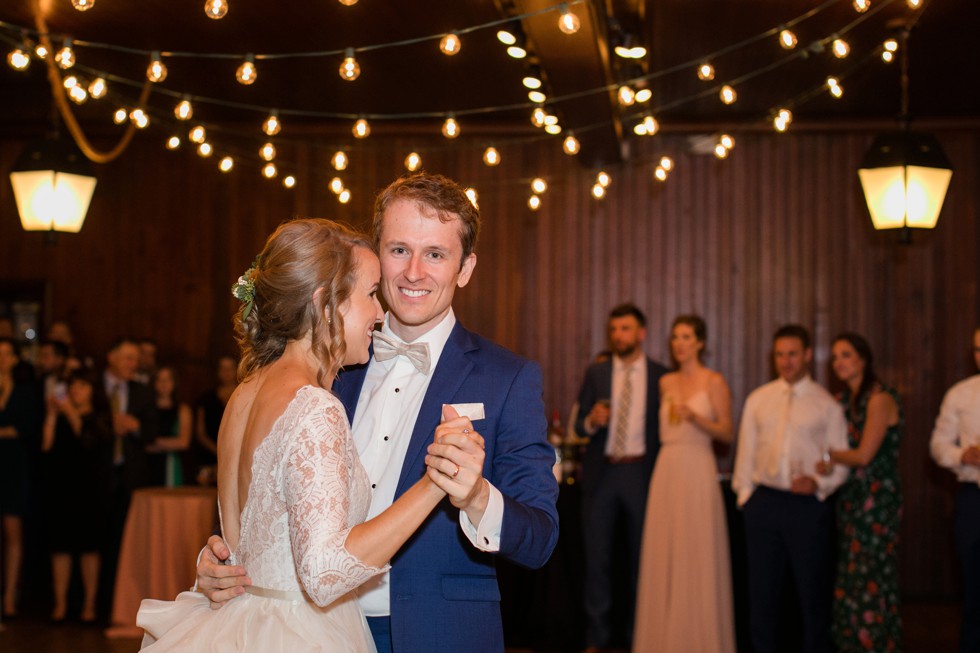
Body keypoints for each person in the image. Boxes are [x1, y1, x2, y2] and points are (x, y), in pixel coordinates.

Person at [197, 173, 560, 653]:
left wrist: (474, 496)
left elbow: (539, 539)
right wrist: (222, 559)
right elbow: (265, 495)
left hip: (439, 633)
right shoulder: (328, 366)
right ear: (374, 254)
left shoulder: (507, 378)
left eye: (435, 254)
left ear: (465, 268)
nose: (413, 272)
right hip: (310, 629)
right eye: (398, 250)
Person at [138, 218, 463, 651]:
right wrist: (434, 482)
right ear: (324, 303)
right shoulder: (314, 405)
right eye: (369, 294)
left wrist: (211, 560)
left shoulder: (244, 394)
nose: (380, 313)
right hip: (298, 633)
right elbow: (325, 574)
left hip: (240, 622)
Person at [732, 324, 849, 653]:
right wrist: (746, 497)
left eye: (793, 354)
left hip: (807, 508)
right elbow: (746, 453)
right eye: (780, 354)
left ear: (808, 355)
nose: (785, 361)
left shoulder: (826, 404)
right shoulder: (759, 399)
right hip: (764, 504)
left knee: (811, 594)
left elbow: (841, 461)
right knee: (762, 595)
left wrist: (819, 483)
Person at [633, 314, 735, 652]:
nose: (680, 343)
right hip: (668, 466)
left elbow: (727, 433)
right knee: (666, 551)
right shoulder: (666, 383)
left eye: (687, 337)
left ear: (700, 343)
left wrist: (699, 418)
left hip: (698, 466)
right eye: (676, 336)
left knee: (698, 550)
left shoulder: (714, 381)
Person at [575, 303, 667, 651]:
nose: (618, 336)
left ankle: (638, 636)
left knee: (642, 560)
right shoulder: (596, 373)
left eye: (625, 329)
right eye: (614, 329)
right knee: (597, 559)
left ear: (641, 333)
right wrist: (590, 421)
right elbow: (578, 423)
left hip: (643, 474)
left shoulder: (661, 376)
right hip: (603, 474)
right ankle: (596, 638)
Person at [812, 333, 903, 652]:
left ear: (863, 359)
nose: (839, 362)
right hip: (850, 497)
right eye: (835, 357)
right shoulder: (840, 401)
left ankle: (878, 645)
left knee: (871, 577)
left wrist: (828, 454)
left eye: (846, 355)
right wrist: (826, 464)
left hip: (876, 500)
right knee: (850, 577)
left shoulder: (879, 399)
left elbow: (864, 455)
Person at [41, 368, 113, 623]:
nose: (76, 390)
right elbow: (46, 448)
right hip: (62, 489)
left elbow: (88, 441)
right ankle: (60, 605)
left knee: (89, 548)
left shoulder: (101, 417)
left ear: (93, 390)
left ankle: (89, 606)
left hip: (90, 491)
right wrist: (51, 416)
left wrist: (70, 412)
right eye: (73, 385)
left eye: (82, 385)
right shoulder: (60, 416)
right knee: (59, 547)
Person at [100, 336, 160, 616]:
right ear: (111, 357)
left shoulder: (143, 392)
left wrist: (134, 426)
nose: (132, 364)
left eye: (135, 359)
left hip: (129, 476)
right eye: (127, 358)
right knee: (93, 540)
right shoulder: (92, 385)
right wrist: (107, 425)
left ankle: (117, 605)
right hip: (95, 473)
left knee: (121, 541)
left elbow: (151, 433)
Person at [930, 327, 980, 653]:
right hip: (973, 499)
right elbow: (937, 445)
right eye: (977, 349)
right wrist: (960, 454)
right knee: (975, 592)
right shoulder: (960, 394)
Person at [0, 337, 42, 618]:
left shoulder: (26, 391)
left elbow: (26, 429)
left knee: (14, 533)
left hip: (13, 466)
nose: (1, 359)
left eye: (6, 354)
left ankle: (9, 599)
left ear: (16, 358)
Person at [192, 355, 237, 484]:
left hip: (238, 455)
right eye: (223, 369)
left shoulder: (246, 395)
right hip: (210, 456)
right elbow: (200, 433)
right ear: (217, 371)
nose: (226, 372)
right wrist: (218, 451)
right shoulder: (205, 399)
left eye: (230, 368)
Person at [147, 365, 193, 487]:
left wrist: (154, 442)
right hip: (147, 465)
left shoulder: (183, 410)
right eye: (160, 380)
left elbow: (183, 442)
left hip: (171, 464)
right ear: (154, 383)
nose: (164, 384)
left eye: (168, 380)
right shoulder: (146, 409)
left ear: (174, 383)